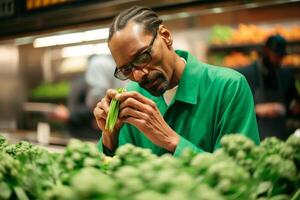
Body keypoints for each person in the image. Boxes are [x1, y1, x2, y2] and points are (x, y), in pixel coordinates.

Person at [93, 6, 260, 156]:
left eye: (143, 56)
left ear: (165, 36)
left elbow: (242, 173)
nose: (138, 76)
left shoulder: (228, 87)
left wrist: (171, 141)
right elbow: (113, 176)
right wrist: (109, 137)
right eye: (126, 69)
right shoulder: (133, 98)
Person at [237, 35, 300, 140]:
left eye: (281, 57)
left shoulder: (286, 76)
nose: (279, 60)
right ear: (265, 51)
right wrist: (257, 109)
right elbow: (237, 108)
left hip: (281, 137)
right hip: (253, 137)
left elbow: (293, 106)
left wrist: (293, 107)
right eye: (276, 55)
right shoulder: (246, 74)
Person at [52, 54, 125, 139]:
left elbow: (96, 99)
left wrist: (70, 114)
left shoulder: (96, 64)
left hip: (88, 129)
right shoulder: (110, 65)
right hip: (91, 126)